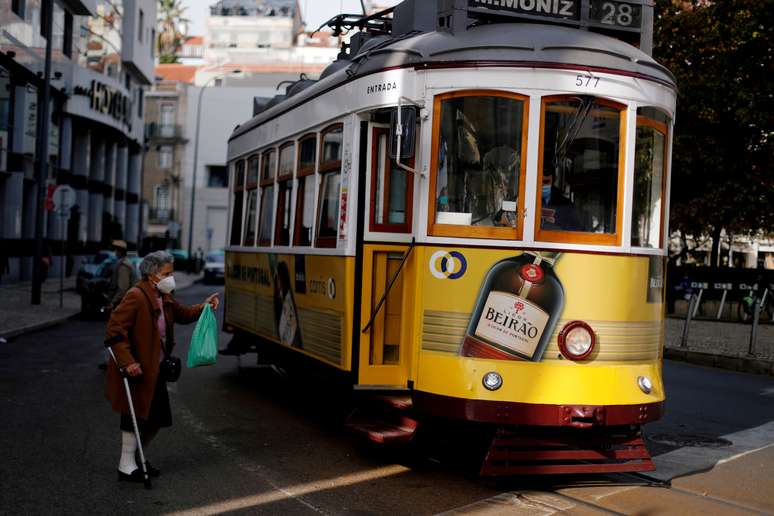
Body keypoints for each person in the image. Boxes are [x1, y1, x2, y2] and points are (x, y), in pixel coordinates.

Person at [104, 251, 219, 483]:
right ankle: (125, 464)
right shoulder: (136, 296)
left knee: (157, 418)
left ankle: (137, 457)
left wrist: (203, 307)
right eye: (167, 273)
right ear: (152, 274)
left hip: (155, 369)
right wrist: (128, 362)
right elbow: (115, 330)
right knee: (134, 415)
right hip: (137, 368)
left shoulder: (164, 296)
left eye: (171, 272)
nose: (171, 277)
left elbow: (182, 314)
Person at [106, 240, 137, 311]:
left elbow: (122, 288)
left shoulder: (123, 266)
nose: (114, 252)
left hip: (122, 304)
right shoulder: (122, 263)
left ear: (119, 251)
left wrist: (112, 302)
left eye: (114, 250)